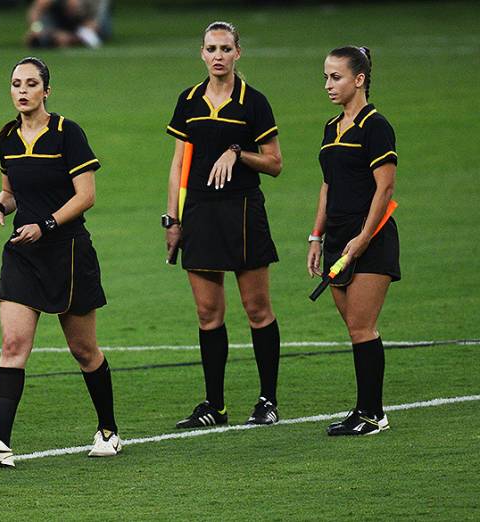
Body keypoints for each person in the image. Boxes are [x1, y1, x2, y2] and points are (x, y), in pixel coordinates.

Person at [0, 56, 120, 468]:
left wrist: (46, 224)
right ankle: (0, 441)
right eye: (16, 84)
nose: (22, 91)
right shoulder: (7, 137)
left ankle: (108, 430)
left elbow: (85, 195)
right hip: (24, 252)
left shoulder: (68, 133)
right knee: (13, 345)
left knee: (84, 349)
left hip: (67, 251)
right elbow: (11, 191)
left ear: (46, 91)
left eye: (31, 84)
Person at [163, 21, 284, 428]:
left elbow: (275, 163)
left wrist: (239, 152)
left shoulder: (255, 102)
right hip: (198, 212)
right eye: (211, 48)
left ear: (238, 53)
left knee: (256, 308)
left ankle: (267, 400)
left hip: (242, 212)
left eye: (225, 48)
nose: (218, 55)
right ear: (202, 53)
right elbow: (179, 164)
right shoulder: (189, 100)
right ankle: (215, 406)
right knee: (207, 313)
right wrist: (172, 219)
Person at [308, 46, 399, 436]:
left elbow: (385, 187)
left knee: (363, 327)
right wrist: (316, 236)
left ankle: (372, 414)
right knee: (354, 328)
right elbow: (327, 186)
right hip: (337, 238)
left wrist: (363, 238)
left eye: (336, 77)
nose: (328, 84)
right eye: (326, 77)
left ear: (358, 79)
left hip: (371, 237)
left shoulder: (376, 127)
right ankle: (365, 409)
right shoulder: (332, 127)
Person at [25, 0, 111, 49]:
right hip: (58, 17)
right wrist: (36, 29)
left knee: (102, 31)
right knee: (42, 29)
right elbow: (36, 10)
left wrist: (70, 38)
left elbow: (93, 26)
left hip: (85, 21)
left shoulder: (96, 3)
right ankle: (48, 37)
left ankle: (53, 38)